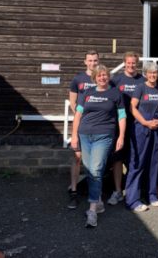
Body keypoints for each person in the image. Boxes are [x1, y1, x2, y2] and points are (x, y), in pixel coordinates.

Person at [71, 65, 126, 228]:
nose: (102, 78)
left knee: (95, 168)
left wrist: (121, 136)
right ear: (94, 77)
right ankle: (99, 201)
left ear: (108, 77)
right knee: (90, 169)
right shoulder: (87, 93)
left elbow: (122, 115)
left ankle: (92, 210)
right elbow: (78, 114)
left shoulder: (115, 93)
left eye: (105, 75)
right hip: (84, 134)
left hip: (104, 135)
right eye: (99, 75)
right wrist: (74, 135)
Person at [125, 62, 158, 212]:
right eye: (150, 72)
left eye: (155, 72)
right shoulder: (140, 87)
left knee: (153, 163)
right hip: (141, 128)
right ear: (146, 74)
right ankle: (132, 200)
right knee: (137, 163)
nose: (153, 75)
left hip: (155, 128)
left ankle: (151, 194)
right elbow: (132, 107)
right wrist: (145, 123)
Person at [108, 51, 145, 205]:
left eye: (133, 63)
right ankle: (117, 191)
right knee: (117, 159)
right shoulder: (116, 80)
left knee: (134, 159)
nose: (131, 65)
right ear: (124, 63)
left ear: (137, 64)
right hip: (119, 126)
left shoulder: (142, 80)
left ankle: (132, 191)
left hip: (136, 126)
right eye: (128, 63)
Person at [68, 49, 99, 209]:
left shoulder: (102, 77)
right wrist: (81, 117)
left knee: (94, 159)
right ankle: (73, 192)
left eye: (95, 60)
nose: (93, 63)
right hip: (81, 124)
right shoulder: (78, 79)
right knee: (77, 157)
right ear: (85, 61)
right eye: (90, 60)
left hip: (98, 126)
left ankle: (93, 192)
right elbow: (72, 102)